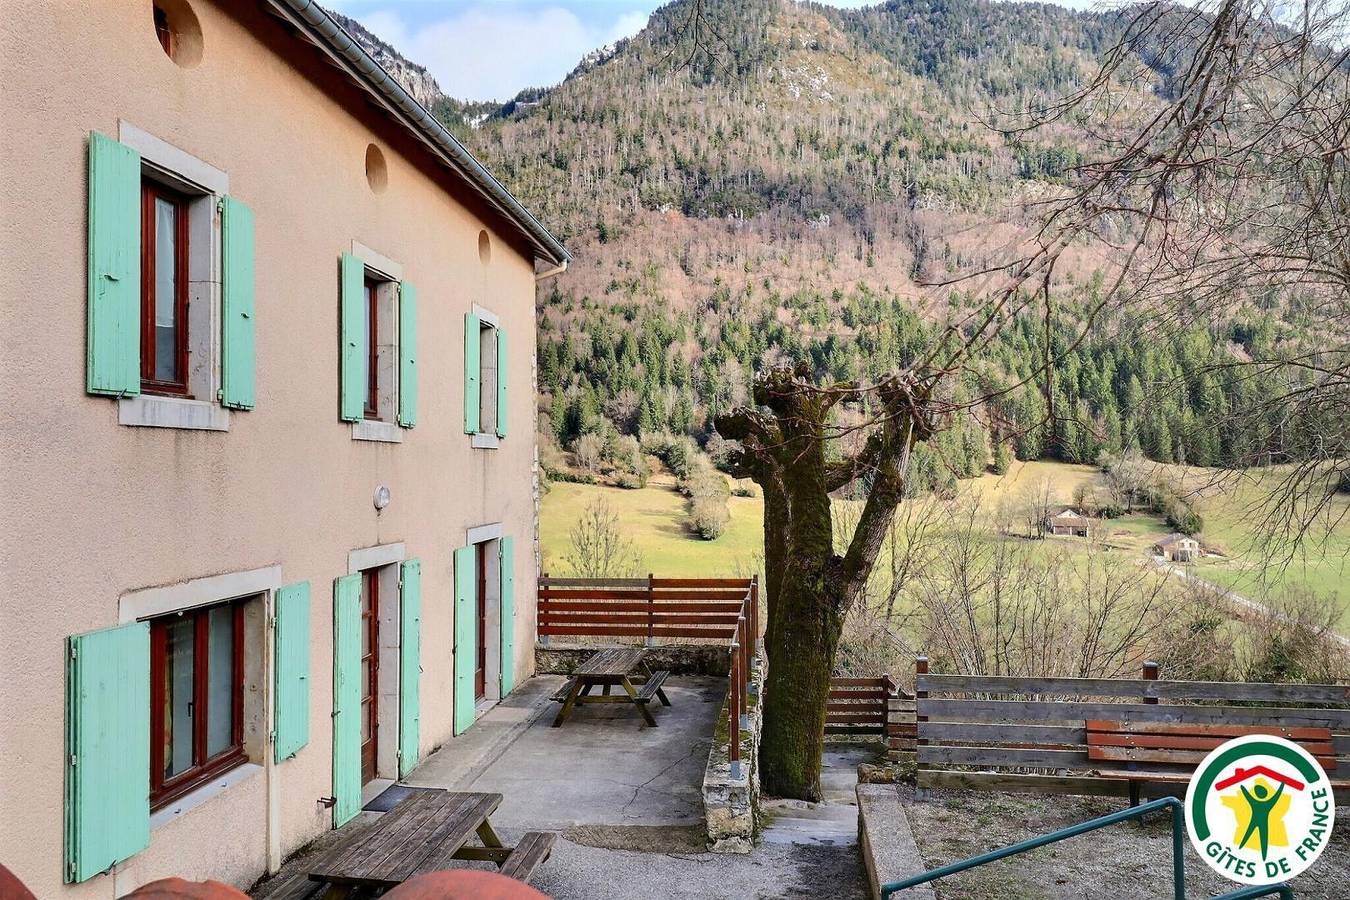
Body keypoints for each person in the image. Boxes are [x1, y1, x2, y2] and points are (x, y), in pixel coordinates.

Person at [1238, 780, 1286, 859]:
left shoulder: (1254, 802)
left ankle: (1241, 848)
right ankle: (1264, 856)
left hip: (1255, 821)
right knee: (1264, 840)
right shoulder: (1269, 803)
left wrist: (1242, 787)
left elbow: (1246, 795)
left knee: (1247, 836)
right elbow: (1277, 795)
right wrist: (1282, 785)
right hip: (1263, 823)